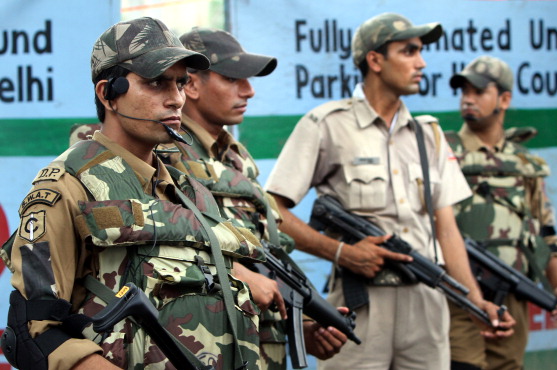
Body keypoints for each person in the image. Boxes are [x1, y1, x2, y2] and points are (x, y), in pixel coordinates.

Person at [1, 17, 266, 370]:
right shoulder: (67, 186)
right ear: (107, 94)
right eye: (156, 83)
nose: (175, 100)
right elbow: (36, 333)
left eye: (181, 83)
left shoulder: (190, 192)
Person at [265, 13, 515, 369]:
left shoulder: (429, 134)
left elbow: (446, 230)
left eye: (421, 52)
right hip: (362, 304)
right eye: (409, 51)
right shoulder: (327, 125)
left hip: (427, 305)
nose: (422, 62)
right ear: (376, 60)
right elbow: (272, 211)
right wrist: (342, 252)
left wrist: (474, 302)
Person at [164, 27, 347, 369]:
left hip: (255, 347)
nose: (248, 90)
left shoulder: (235, 158)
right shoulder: (162, 154)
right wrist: (240, 275)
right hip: (198, 345)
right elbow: (163, 253)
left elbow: (261, 258)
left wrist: (302, 327)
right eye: (233, 78)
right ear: (190, 84)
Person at [445, 55, 557, 370]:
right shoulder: (444, 153)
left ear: (504, 99)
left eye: (479, 92)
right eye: (464, 91)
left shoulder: (524, 164)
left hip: (512, 293)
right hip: (458, 297)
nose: (468, 99)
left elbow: (546, 231)